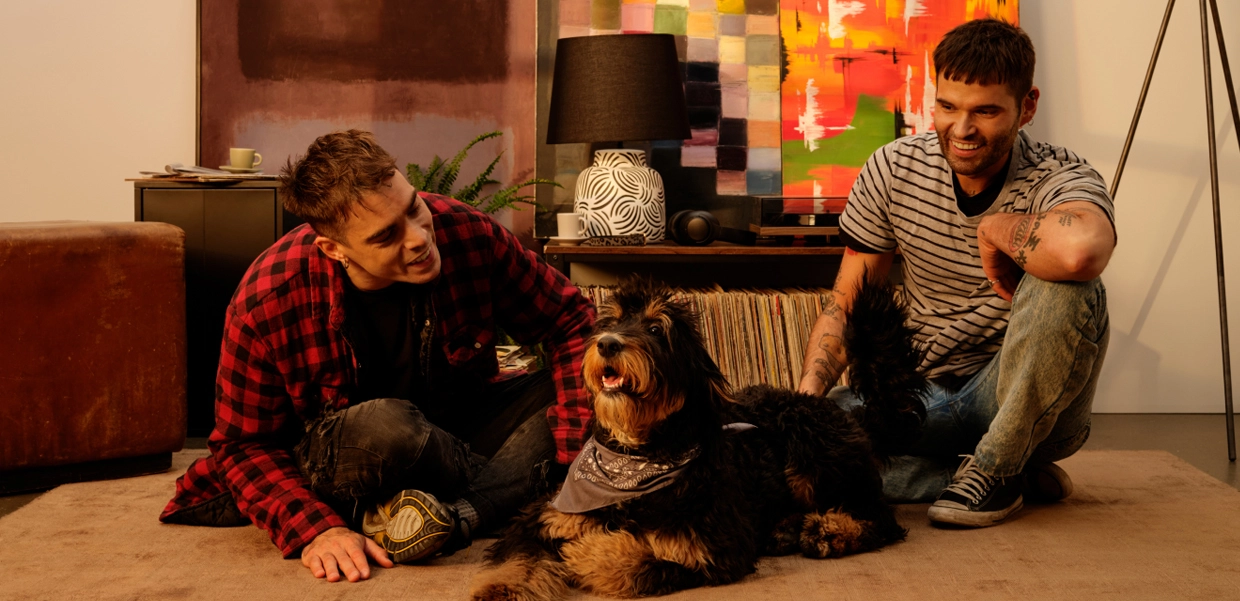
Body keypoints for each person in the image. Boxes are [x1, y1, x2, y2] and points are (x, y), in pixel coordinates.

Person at [160, 130, 596, 581]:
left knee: (589, 386)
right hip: (350, 452)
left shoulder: (466, 233)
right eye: (387, 235)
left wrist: (571, 461)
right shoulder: (268, 298)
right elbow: (242, 446)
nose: (418, 239)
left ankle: (453, 518)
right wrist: (317, 529)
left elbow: (571, 321)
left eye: (414, 208)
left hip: (455, 425)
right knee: (390, 427)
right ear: (334, 249)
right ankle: (502, 492)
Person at [798, 19, 1115, 528]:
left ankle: (996, 464)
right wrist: (804, 411)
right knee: (803, 454)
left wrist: (995, 227)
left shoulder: (1059, 174)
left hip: (1019, 394)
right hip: (921, 398)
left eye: (985, 111)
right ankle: (998, 475)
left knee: (1069, 288)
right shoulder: (893, 169)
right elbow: (846, 306)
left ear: (1027, 106)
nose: (962, 129)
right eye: (948, 106)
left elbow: (1081, 252)